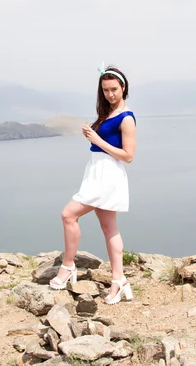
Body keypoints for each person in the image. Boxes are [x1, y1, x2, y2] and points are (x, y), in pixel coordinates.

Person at [49, 63, 136, 305]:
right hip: (96, 171)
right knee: (109, 228)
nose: (110, 94)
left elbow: (128, 156)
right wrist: (91, 135)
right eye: (106, 90)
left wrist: (98, 139)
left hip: (108, 175)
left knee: (68, 215)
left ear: (123, 87)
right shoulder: (107, 113)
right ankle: (119, 281)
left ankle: (68, 267)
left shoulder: (126, 118)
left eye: (114, 89)